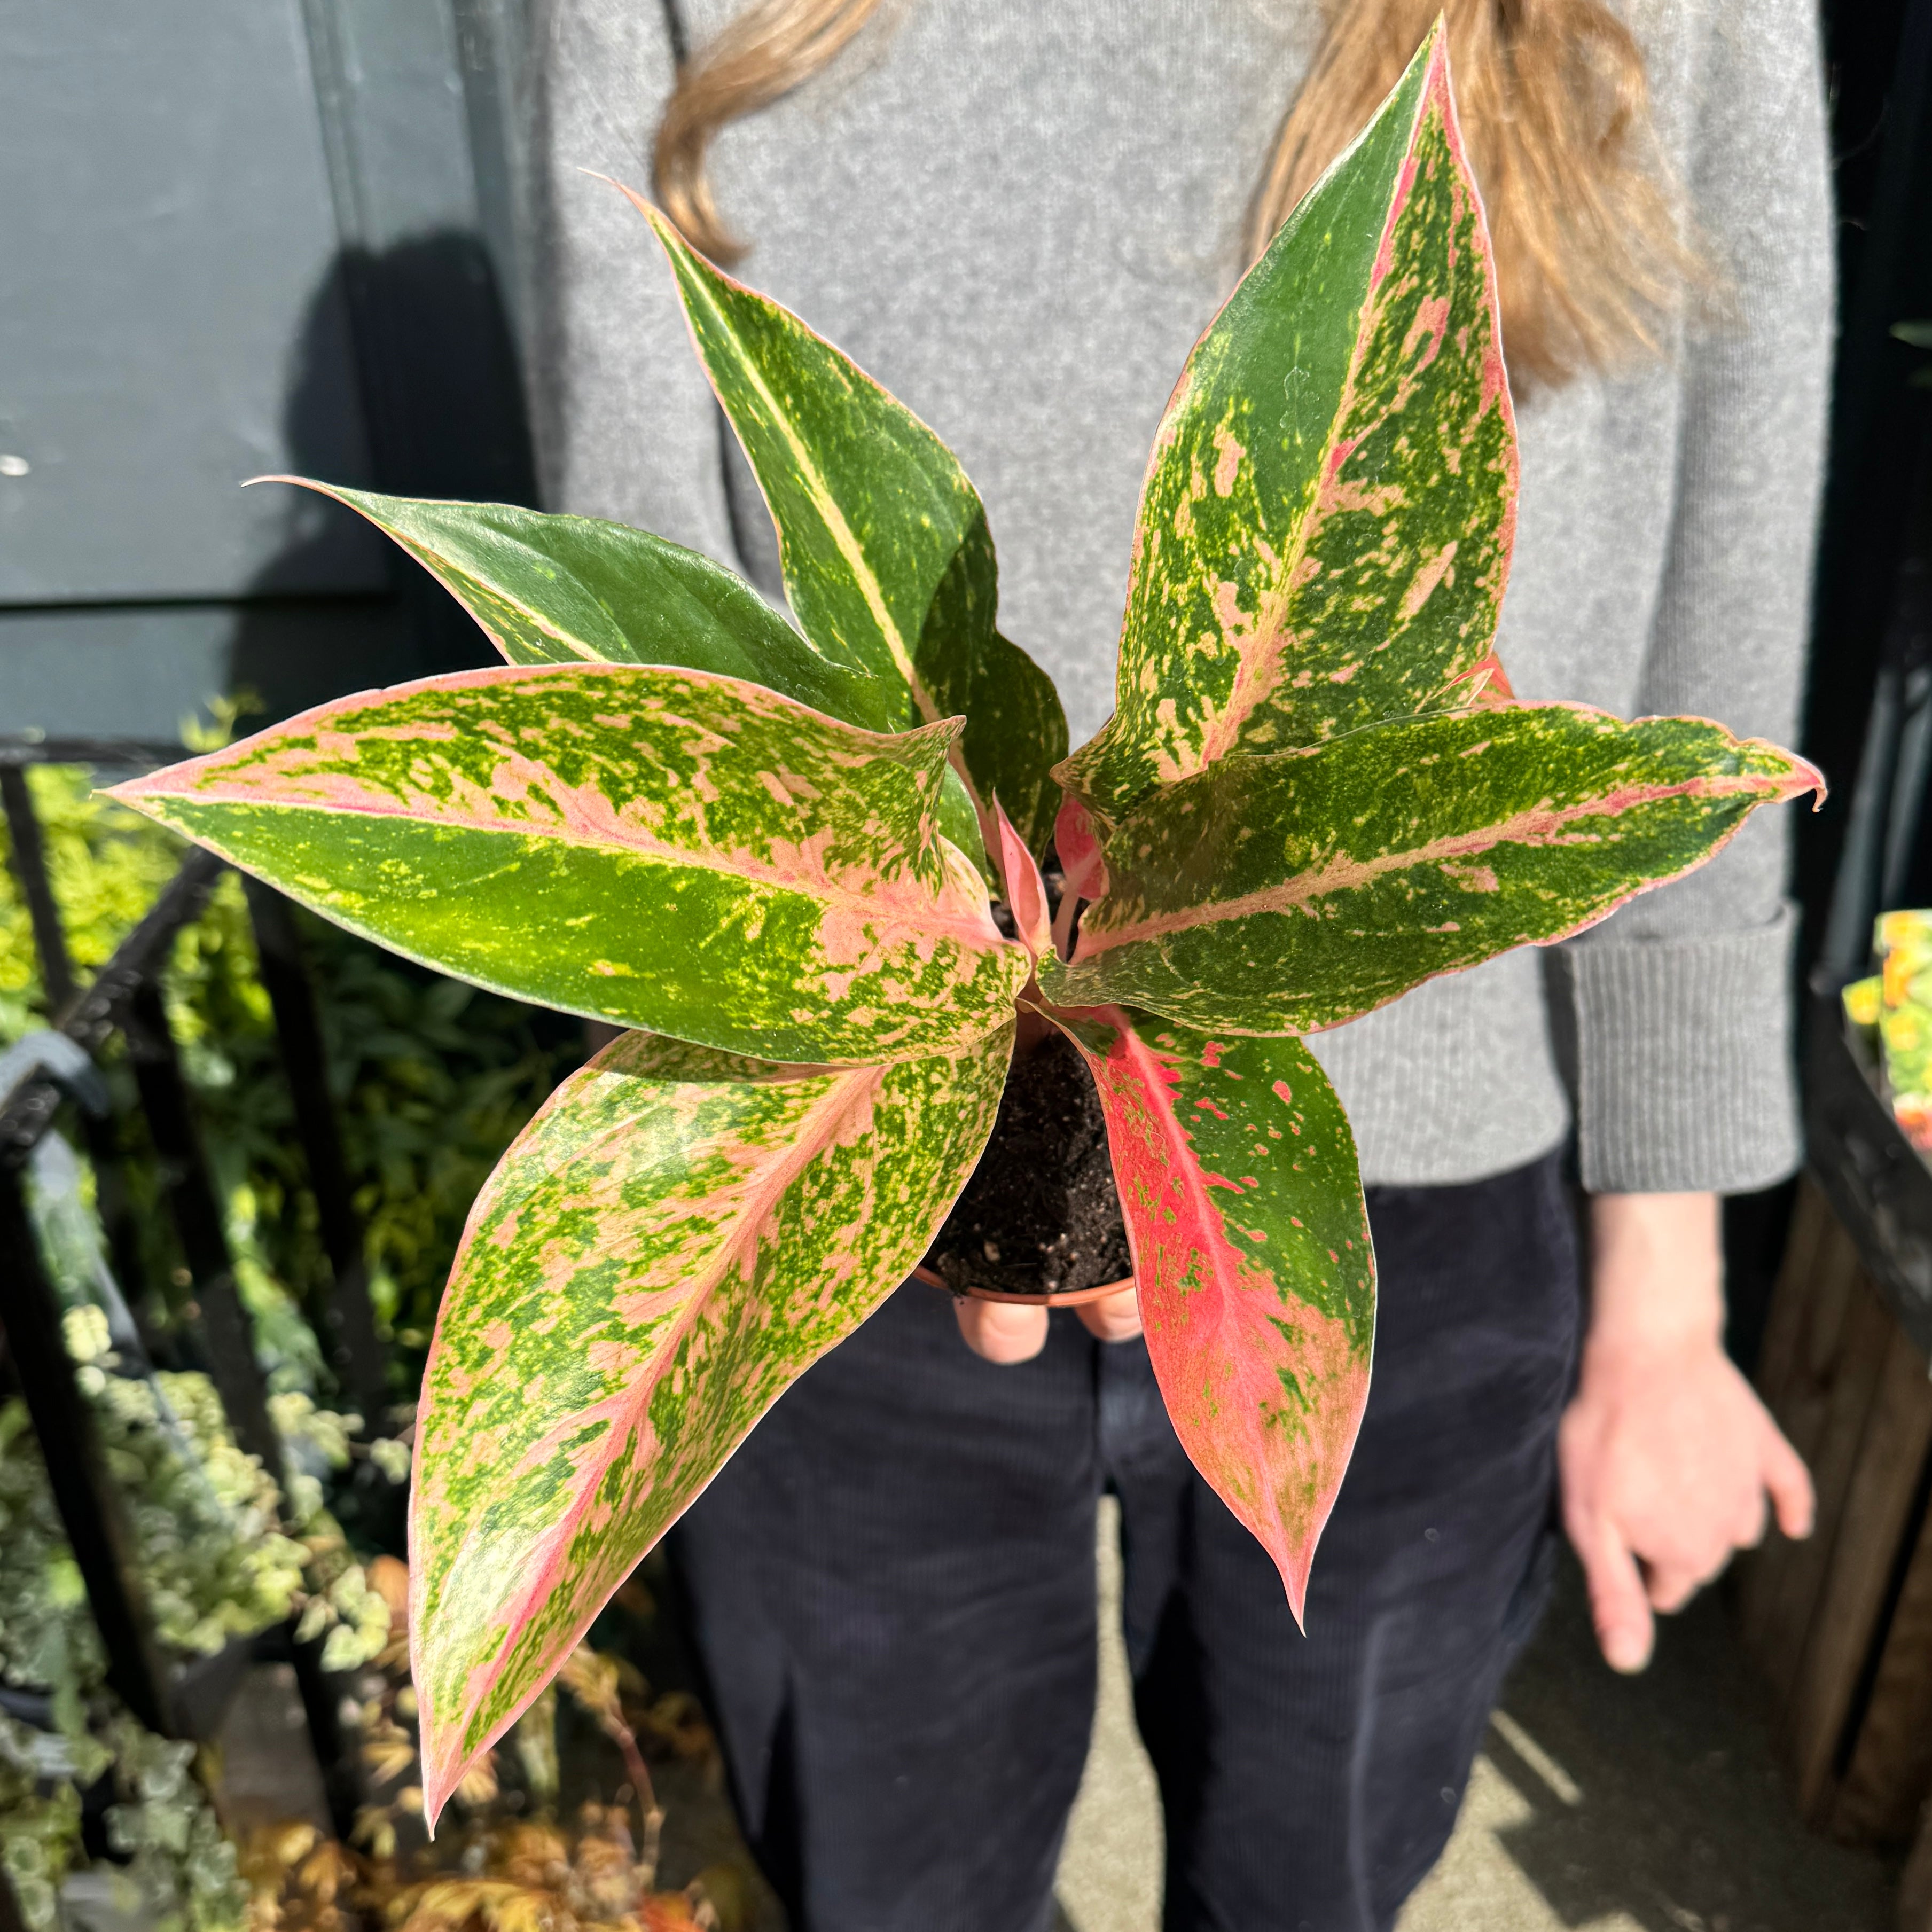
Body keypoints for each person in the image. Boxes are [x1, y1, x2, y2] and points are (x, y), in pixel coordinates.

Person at [528, 1, 1832, 1924]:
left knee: (1311, 1877)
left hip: (1402, 1206)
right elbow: (640, 628)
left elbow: (1720, 543)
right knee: (888, 1876)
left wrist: (1668, 1285)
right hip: (863, 1199)